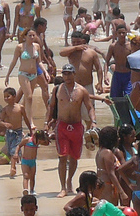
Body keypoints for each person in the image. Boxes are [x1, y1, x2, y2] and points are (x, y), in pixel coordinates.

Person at [46, 64, 109, 197]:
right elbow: (51, 107)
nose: (67, 76)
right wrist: (47, 122)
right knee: (62, 157)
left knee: (74, 157)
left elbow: (89, 107)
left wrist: (93, 121)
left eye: (69, 73)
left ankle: (69, 180)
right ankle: (62, 187)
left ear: (74, 74)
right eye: (64, 73)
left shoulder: (81, 90)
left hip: (76, 126)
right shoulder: (57, 89)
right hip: (62, 126)